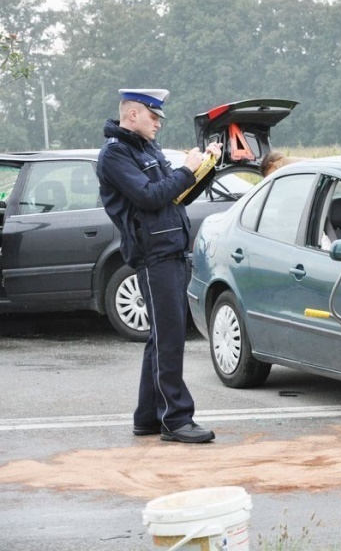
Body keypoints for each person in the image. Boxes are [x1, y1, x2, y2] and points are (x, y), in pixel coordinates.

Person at [96, 88, 221, 444]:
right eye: (154, 117)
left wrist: (206, 168)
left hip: (170, 249)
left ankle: (148, 417)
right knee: (169, 340)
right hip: (153, 254)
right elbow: (149, 197)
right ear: (132, 115)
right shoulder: (115, 155)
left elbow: (175, 194)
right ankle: (176, 419)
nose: (158, 124)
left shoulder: (145, 149)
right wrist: (185, 168)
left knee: (161, 338)